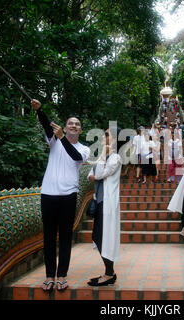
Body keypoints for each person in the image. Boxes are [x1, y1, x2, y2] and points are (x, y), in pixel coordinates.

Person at [31, 99, 90, 292]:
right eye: (70, 123)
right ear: (64, 127)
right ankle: (50, 275)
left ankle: (62, 275)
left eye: (77, 124)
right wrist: (40, 111)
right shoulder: (54, 141)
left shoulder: (84, 149)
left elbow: (74, 156)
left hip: (68, 195)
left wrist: (62, 138)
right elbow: (47, 128)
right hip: (48, 194)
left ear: (80, 130)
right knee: (48, 236)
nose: (74, 125)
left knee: (65, 236)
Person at [87, 127, 124, 286]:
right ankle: (109, 272)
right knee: (98, 236)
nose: (103, 136)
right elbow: (90, 174)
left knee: (104, 237)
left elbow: (99, 174)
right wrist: (96, 172)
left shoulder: (115, 157)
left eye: (107, 134)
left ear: (114, 139)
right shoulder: (105, 157)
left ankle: (109, 273)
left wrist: (103, 154)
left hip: (107, 202)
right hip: (100, 201)